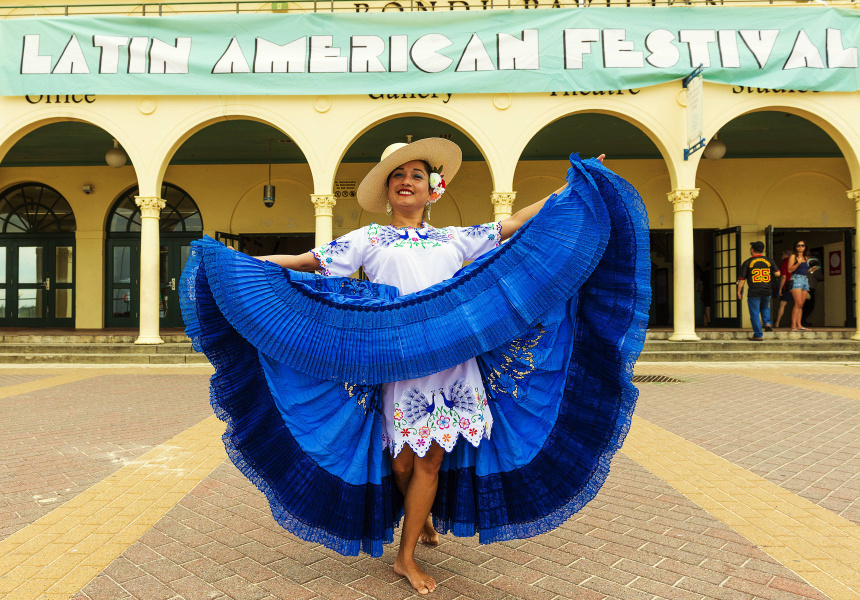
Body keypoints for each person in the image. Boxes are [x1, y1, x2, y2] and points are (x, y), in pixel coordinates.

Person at [179, 139, 649, 595]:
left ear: (432, 188)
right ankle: (418, 516)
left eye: (416, 175)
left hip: (452, 363)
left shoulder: (454, 238)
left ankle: (405, 557)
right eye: (397, 176)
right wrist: (242, 264)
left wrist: (570, 188)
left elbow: (514, 224)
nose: (407, 182)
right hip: (397, 362)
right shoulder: (367, 239)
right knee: (402, 461)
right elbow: (305, 263)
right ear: (387, 192)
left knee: (429, 459)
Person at [737, 241, 780, 341]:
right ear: (763, 250)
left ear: (752, 250)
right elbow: (778, 273)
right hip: (767, 290)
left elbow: (742, 280)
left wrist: (739, 292)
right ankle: (767, 323)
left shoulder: (747, 262)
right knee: (765, 307)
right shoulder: (769, 261)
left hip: (754, 292)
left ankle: (758, 334)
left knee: (755, 313)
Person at [788, 240, 811, 331]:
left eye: (802, 245)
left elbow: (804, 270)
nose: (800, 247)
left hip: (805, 279)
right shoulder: (793, 256)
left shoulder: (806, 257)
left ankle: (799, 325)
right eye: (798, 245)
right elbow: (789, 270)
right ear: (795, 247)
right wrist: (798, 263)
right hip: (796, 279)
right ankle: (793, 325)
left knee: (801, 304)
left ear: (805, 247)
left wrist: (810, 270)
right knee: (797, 303)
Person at [801, 257, 823, 328]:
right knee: (809, 306)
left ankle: (801, 320)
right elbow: (822, 277)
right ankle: (802, 320)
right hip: (810, 289)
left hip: (804, 289)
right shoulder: (815, 271)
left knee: (804, 306)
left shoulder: (807, 270)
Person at [775, 249, 792, 328]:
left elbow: (783, 277)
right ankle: (796, 324)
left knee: (782, 304)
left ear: (786, 255)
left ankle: (777, 323)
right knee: (798, 305)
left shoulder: (785, 263)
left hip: (787, 285)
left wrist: (780, 288)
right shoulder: (795, 262)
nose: (781, 256)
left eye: (782, 254)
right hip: (797, 285)